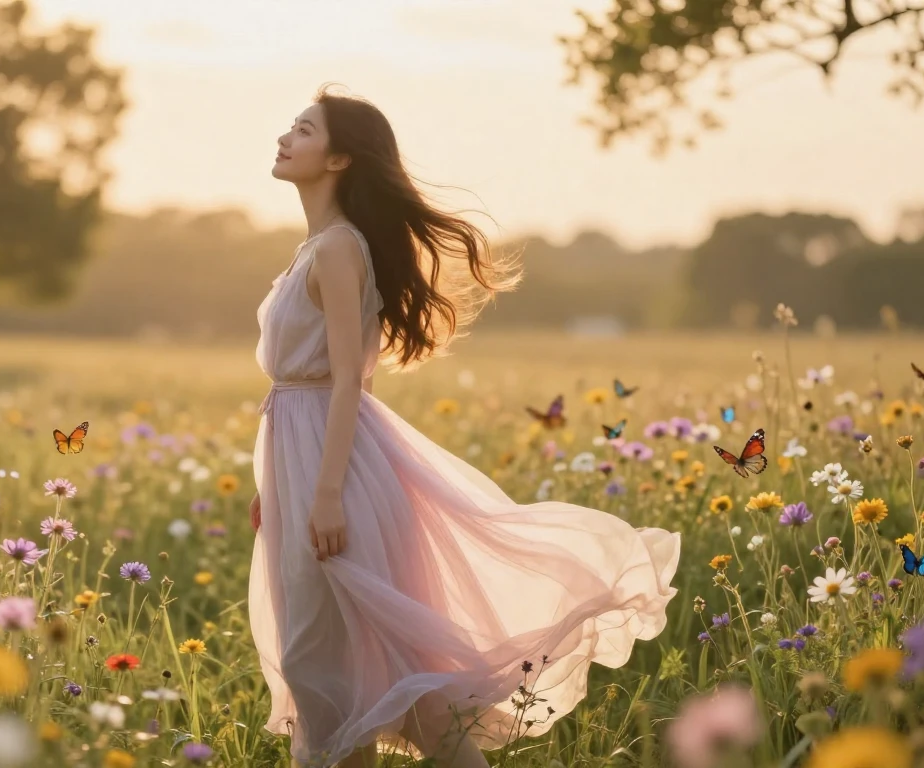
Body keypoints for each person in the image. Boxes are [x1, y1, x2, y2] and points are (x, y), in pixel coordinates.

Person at [246, 84, 680, 768]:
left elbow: (348, 386)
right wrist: (280, 483)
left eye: (303, 129)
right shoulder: (318, 249)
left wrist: (325, 490)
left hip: (335, 470)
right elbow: (330, 384)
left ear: (339, 160)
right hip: (308, 462)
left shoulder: (336, 249)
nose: (284, 137)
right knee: (335, 676)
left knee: (350, 677)